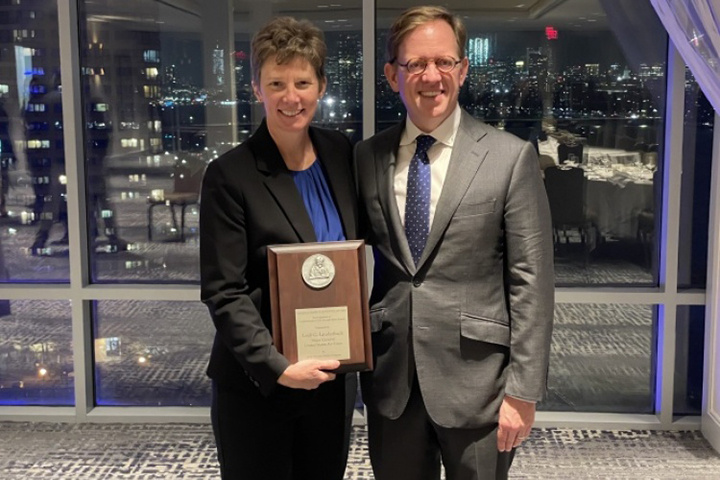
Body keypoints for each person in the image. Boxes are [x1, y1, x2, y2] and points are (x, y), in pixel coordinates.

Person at [354, 6, 554, 480]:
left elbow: (532, 281)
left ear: (462, 70)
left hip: (480, 387)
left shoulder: (509, 158)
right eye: (416, 64)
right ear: (391, 75)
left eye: (444, 62)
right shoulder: (366, 157)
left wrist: (522, 393)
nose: (431, 76)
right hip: (393, 383)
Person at [200, 16, 357, 480]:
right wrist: (278, 367)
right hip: (259, 386)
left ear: (321, 85)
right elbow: (223, 290)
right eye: (277, 83)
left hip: (329, 382)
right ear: (257, 89)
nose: (292, 97)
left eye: (303, 82)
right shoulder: (230, 174)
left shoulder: (342, 155)